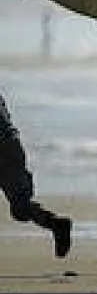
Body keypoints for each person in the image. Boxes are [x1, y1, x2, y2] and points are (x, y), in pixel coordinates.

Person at [0, 92, 72, 258]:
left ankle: (57, 225)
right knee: (20, 207)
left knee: (20, 208)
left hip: (5, 150)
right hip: (12, 147)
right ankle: (56, 224)